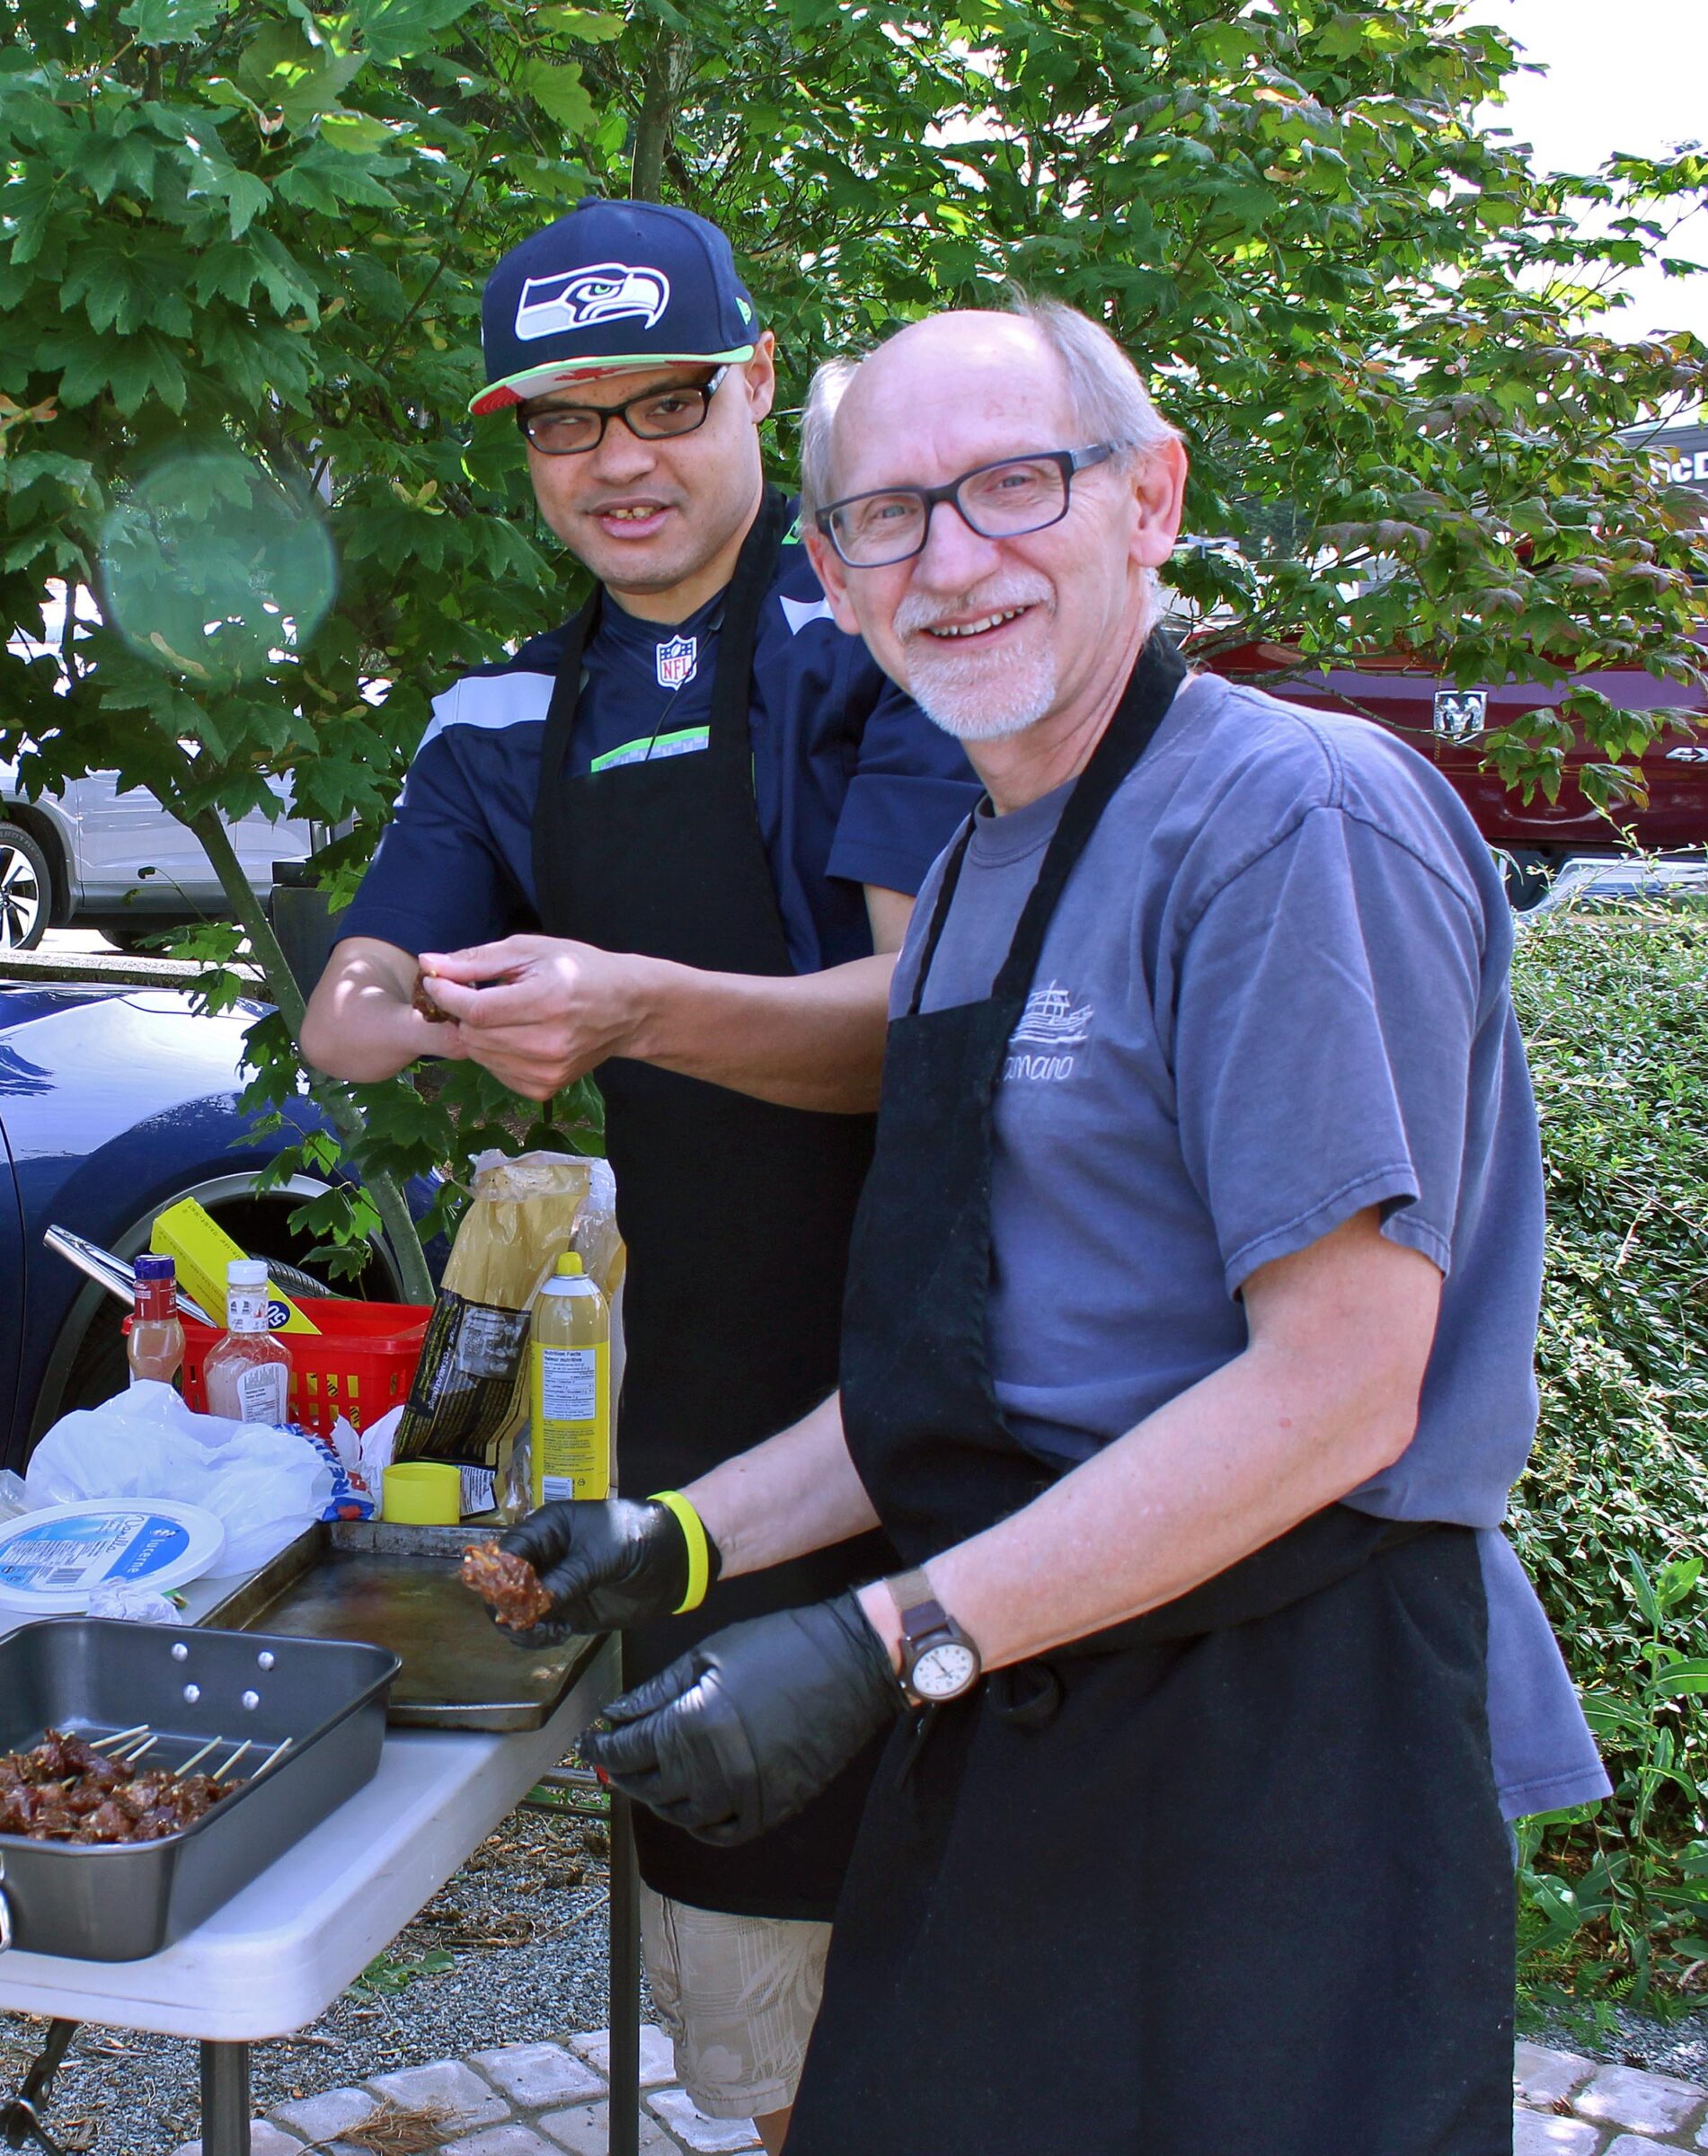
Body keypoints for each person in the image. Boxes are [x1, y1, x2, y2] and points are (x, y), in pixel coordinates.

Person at [548, 297, 1611, 2155]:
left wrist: (885, 1639)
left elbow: (1344, 1394)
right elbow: (982, 1357)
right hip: (1048, 1684)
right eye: (889, 517)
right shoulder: (975, 864)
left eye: (1015, 488)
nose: (954, 563)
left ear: (1152, 499)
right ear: (835, 571)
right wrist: (683, 1539)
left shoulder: (1289, 823)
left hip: (1287, 1727)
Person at [299, 199, 979, 2152]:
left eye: (664, 402)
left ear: (759, 386)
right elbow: (344, 1011)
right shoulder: (504, 715)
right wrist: (422, 1000)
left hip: (961, 1415)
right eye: (561, 422)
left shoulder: (885, 643)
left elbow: (912, 1022)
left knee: (988, 1988)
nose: (617, 460)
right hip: (710, 1455)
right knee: (772, 2031)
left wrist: (628, 1008)